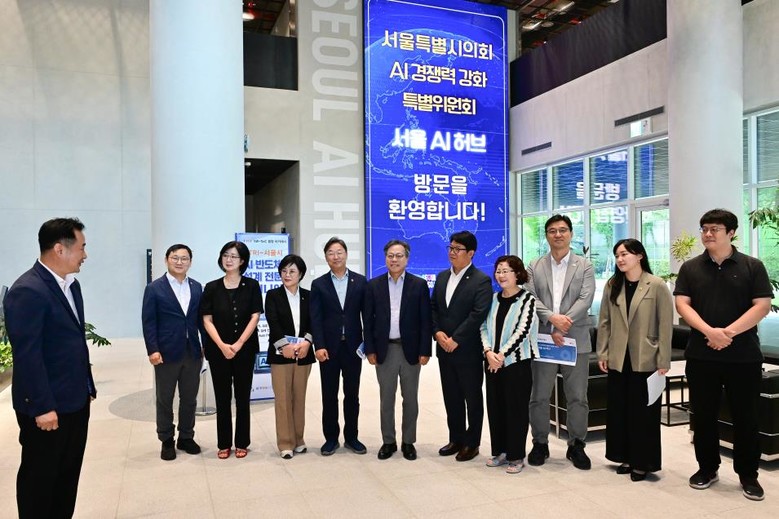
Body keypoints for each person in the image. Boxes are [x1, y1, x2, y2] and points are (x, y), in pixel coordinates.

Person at [675, 208, 773, 501]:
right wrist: (710, 332)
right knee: (703, 415)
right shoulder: (690, 268)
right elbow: (682, 304)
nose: (707, 234)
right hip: (701, 355)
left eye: (714, 229)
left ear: (731, 232)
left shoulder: (752, 266)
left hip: (743, 356)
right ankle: (707, 469)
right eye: (704, 229)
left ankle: (748, 475)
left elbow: (762, 305)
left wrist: (727, 333)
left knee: (746, 417)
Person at [4, 217, 96, 518]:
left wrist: (86, 386)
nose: (85, 254)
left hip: (75, 400)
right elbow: (28, 356)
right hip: (47, 408)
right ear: (59, 248)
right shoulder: (27, 290)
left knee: (67, 476)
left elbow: (73, 342)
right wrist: (42, 407)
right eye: (81, 247)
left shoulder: (72, 286)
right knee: (40, 480)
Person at [596, 239, 673, 482]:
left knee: (643, 413)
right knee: (620, 410)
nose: (620, 259)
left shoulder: (656, 285)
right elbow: (604, 321)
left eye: (625, 254)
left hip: (646, 356)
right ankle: (625, 457)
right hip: (618, 357)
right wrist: (603, 353)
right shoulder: (613, 284)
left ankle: (643, 462)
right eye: (617, 255)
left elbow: (665, 325)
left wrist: (664, 359)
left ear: (639, 256)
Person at [525, 214, 595, 470]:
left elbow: (586, 299)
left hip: (575, 338)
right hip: (544, 338)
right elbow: (531, 297)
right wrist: (553, 320)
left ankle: (576, 445)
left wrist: (563, 323)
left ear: (571, 234)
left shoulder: (584, 265)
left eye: (563, 230)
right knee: (539, 396)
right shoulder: (534, 265)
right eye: (552, 230)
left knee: (577, 396)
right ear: (546, 235)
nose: (558, 234)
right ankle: (540, 443)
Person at [363, 239, 432, 461]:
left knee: (410, 399)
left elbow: (426, 320)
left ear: (407, 259)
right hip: (385, 350)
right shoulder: (373, 285)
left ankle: (408, 441)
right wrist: (370, 349)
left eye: (399, 255)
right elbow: (368, 321)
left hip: (410, 350)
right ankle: (388, 441)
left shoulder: (418, 285)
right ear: (385, 258)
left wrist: (425, 350)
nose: (394, 259)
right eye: (390, 256)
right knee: (386, 399)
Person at [431, 230, 492, 462]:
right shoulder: (441, 277)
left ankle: (472, 443)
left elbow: (478, 314)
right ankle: (455, 438)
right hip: (444, 348)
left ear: (471, 253)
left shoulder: (481, 280)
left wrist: (455, 339)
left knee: (472, 398)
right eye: (451, 248)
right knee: (451, 397)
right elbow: (433, 308)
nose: (452, 252)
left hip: (467, 350)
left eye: (458, 249)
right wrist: (437, 333)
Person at [141, 244, 204, 461]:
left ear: (190, 262)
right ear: (166, 259)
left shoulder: (197, 287)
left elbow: (200, 320)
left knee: (189, 398)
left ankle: (186, 436)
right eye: (175, 257)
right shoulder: (154, 288)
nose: (179, 262)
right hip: (166, 353)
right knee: (164, 398)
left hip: (192, 352)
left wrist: (205, 345)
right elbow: (149, 322)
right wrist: (153, 350)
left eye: (184, 258)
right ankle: (166, 439)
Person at [201, 241, 263, 459]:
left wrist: (238, 344)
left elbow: (255, 316)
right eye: (225, 255)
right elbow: (207, 320)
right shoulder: (211, 287)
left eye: (234, 256)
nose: (229, 259)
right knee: (222, 397)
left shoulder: (252, 285)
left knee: (243, 397)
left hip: (244, 351)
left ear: (242, 261)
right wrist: (222, 345)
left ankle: (242, 442)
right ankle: (224, 443)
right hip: (218, 351)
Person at [480, 255, 538, 474]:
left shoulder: (527, 299)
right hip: (492, 363)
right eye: (498, 271)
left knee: (516, 410)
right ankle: (500, 451)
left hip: (516, 363)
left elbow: (523, 331)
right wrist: (488, 352)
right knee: (495, 408)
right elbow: (483, 327)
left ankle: (516, 455)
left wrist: (501, 355)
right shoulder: (493, 299)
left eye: (506, 271)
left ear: (517, 274)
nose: (501, 275)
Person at [310, 237, 368, 456]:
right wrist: (319, 345)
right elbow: (316, 318)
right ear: (326, 257)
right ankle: (331, 439)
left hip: (353, 347)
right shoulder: (319, 284)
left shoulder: (360, 281)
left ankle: (352, 437)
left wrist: (367, 344)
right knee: (329, 395)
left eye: (339, 252)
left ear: (346, 254)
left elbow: (367, 316)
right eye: (331, 253)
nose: (335, 256)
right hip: (328, 349)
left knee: (352, 395)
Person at [265, 254, 315, 459]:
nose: (287, 275)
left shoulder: (309, 296)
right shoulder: (273, 295)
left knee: (299, 398)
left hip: (303, 353)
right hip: (281, 354)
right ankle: (286, 443)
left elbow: (314, 321)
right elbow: (273, 321)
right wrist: (283, 345)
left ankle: (298, 439)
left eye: (292, 271)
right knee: (283, 399)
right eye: (284, 271)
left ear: (300, 274)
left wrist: (307, 342)